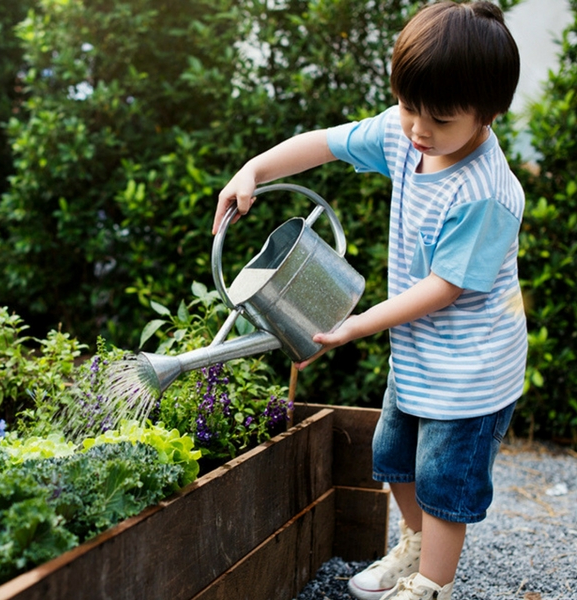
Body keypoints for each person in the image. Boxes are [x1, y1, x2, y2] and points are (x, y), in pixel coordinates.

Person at [212, 2, 525, 599]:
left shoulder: (486, 192)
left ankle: (433, 584)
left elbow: (445, 287)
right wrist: (254, 169)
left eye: (439, 119)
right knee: (393, 454)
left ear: (487, 115)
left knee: (443, 479)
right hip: (419, 352)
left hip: (472, 369)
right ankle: (413, 546)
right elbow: (325, 144)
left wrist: (356, 325)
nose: (418, 130)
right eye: (408, 107)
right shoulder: (407, 135)